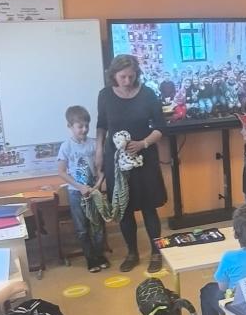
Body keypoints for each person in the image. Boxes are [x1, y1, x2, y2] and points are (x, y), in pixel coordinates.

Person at [96, 55, 167, 273]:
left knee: (148, 208)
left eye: (131, 76)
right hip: (116, 162)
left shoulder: (148, 94)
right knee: (124, 208)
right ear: (114, 76)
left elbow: (161, 127)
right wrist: (98, 151)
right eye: (123, 77)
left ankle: (156, 252)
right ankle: (132, 253)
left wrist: (143, 143)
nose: (127, 81)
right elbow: (101, 125)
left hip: (144, 159)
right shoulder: (105, 95)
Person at [58, 106, 108, 273]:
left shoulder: (94, 144)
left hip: (94, 192)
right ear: (70, 126)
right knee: (82, 228)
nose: (84, 129)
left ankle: (100, 255)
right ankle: (90, 259)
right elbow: (61, 171)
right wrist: (79, 187)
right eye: (80, 126)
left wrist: (98, 184)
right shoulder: (66, 147)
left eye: (87, 125)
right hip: (76, 193)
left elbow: (102, 169)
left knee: (98, 226)